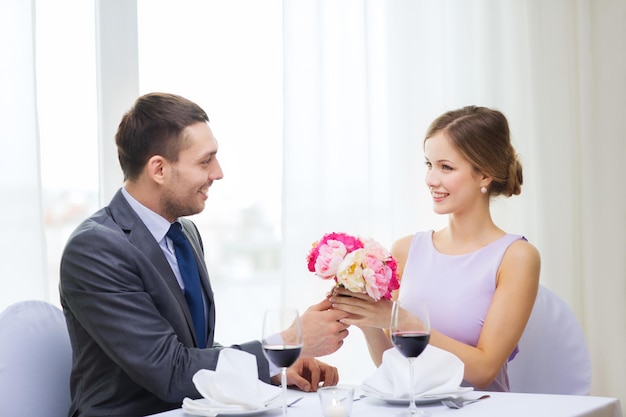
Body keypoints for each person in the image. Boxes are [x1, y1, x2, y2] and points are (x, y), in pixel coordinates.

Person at [59, 92, 350, 417]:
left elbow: (191, 351)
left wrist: (271, 369)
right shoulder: (96, 249)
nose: (218, 172)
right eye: (204, 161)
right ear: (159, 169)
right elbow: (168, 369)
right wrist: (284, 345)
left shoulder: (184, 234)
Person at [329, 105, 541, 392]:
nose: (431, 179)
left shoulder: (516, 257)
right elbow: (394, 367)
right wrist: (365, 317)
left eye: (446, 167)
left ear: (485, 175)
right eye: (429, 164)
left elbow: (484, 370)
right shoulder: (406, 250)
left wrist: (401, 320)